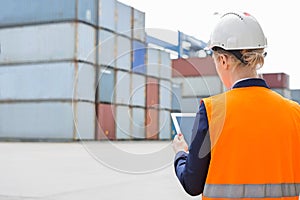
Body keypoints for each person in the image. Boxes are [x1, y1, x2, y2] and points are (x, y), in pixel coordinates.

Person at [172, 11, 300, 199]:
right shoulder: (294, 112)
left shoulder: (212, 110)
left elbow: (192, 184)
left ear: (223, 61)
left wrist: (181, 154)